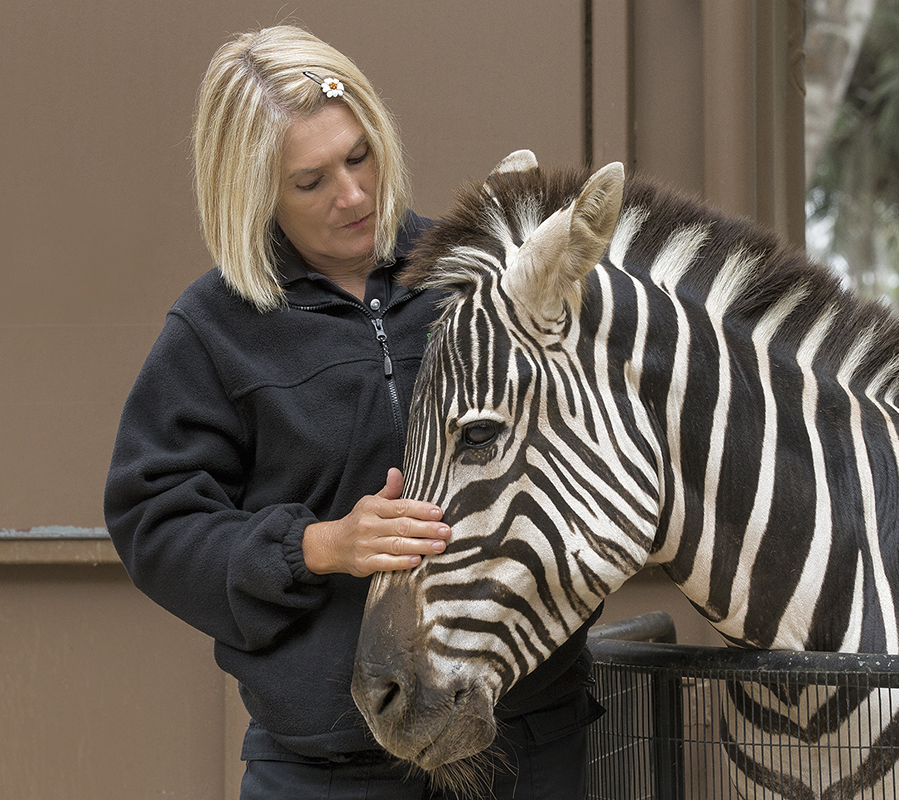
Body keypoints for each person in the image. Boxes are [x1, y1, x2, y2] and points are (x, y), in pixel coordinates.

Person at [104, 24, 603, 800]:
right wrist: (317, 546)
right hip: (328, 769)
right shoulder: (214, 331)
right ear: (253, 191)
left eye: (359, 156)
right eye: (310, 182)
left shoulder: (472, 285)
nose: (353, 195)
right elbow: (153, 522)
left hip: (525, 747)